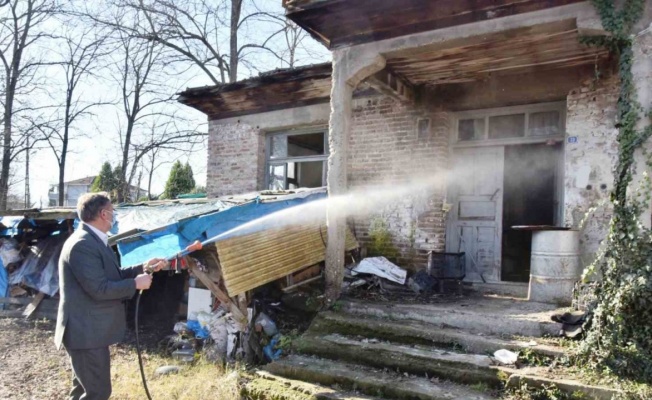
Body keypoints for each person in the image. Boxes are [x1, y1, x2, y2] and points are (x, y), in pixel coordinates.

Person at [54, 192, 168, 400]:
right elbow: (99, 289)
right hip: (86, 333)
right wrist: (135, 284)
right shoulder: (82, 244)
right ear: (104, 214)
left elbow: (112, 275)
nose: (114, 217)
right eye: (113, 212)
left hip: (89, 332)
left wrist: (143, 267)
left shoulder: (94, 240)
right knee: (97, 393)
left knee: (83, 390)